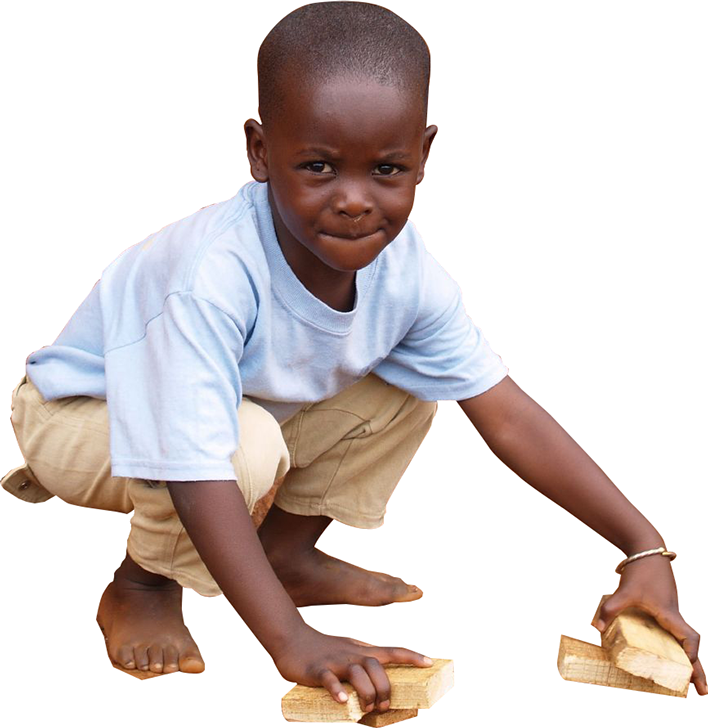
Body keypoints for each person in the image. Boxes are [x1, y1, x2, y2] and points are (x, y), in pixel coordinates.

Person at [3, 1, 705, 707]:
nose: (354, 201)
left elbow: (508, 416)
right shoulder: (212, 274)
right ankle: (141, 583)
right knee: (238, 448)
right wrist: (290, 642)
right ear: (258, 151)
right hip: (80, 417)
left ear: (424, 156)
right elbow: (196, 466)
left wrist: (643, 547)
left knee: (405, 386)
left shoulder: (406, 274)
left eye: (387, 169)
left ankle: (286, 555)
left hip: (224, 418)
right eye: (317, 166)